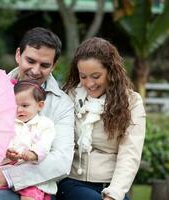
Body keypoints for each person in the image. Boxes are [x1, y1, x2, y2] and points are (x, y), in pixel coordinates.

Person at [0, 27, 75, 200]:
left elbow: (61, 161)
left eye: (44, 65)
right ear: (18, 55)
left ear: (54, 65)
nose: (35, 71)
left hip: (35, 185)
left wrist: (7, 177)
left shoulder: (62, 104)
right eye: (30, 60)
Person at [56, 37, 146, 200]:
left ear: (111, 72)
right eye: (83, 76)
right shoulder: (69, 96)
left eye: (96, 76)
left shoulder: (131, 102)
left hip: (111, 186)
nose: (89, 83)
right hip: (72, 182)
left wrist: (113, 195)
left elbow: (130, 154)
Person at [0, 80, 56, 200]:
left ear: (39, 105)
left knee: (29, 197)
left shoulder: (44, 124)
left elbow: (44, 144)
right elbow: (3, 140)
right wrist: (9, 152)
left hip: (30, 172)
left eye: (25, 106)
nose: (19, 110)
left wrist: (33, 154)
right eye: (15, 106)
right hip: (7, 170)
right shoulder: (9, 123)